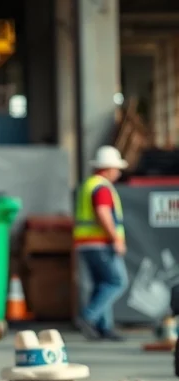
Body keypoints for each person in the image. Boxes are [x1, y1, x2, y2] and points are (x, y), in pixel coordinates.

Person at [73, 145, 129, 341]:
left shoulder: (88, 185)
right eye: (116, 168)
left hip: (85, 243)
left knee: (102, 283)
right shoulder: (102, 187)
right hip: (100, 242)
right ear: (108, 168)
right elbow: (103, 213)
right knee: (116, 281)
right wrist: (115, 238)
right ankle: (88, 316)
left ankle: (103, 328)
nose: (119, 172)